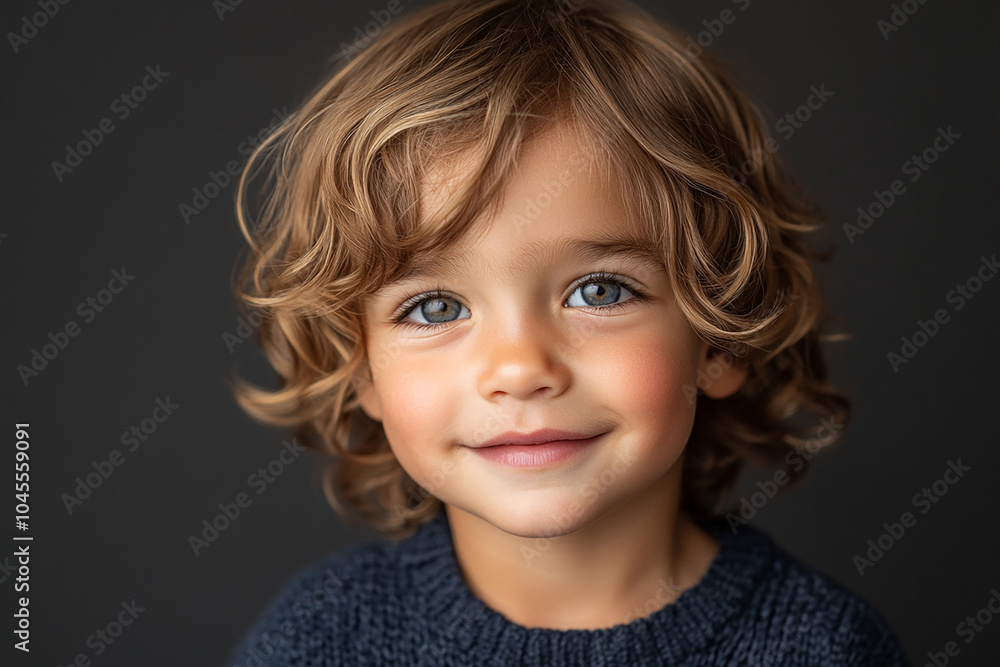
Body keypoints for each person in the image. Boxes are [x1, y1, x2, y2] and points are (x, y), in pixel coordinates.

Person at [226, 0, 910, 664]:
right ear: (362, 367)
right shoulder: (318, 637)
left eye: (599, 291)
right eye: (435, 307)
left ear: (719, 337)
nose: (520, 367)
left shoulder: (826, 645)